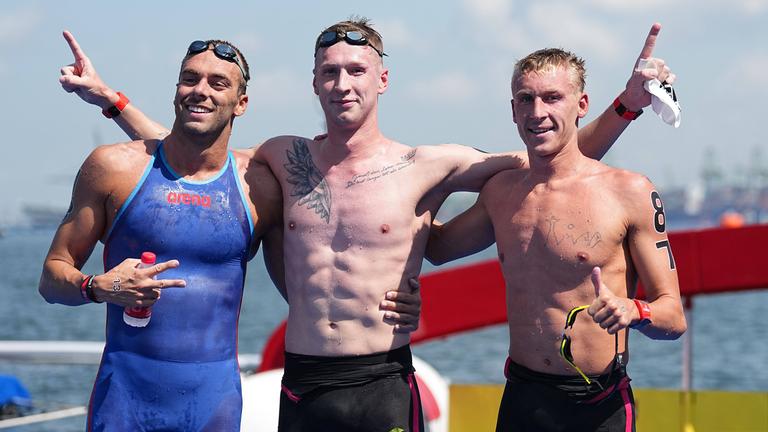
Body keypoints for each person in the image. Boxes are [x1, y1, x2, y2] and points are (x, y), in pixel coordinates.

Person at [59, 18, 674, 431]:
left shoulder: (428, 165)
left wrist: (627, 104)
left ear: (381, 80)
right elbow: (189, 156)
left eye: (356, 70)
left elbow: (555, 156)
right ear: (315, 83)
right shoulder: (284, 157)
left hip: (382, 379)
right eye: (330, 71)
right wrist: (112, 101)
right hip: (303, 381)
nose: (342, 82)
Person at [42, 33, 421, 432]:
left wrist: (391, 301)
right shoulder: (114, 168)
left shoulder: (258, 187)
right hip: (123, 403)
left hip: (214, 406)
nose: (200, 91)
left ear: (241, 103)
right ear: (176, 91)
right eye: (190, 79)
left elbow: (316, 287)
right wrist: (97, 287)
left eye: (217, 83)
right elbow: (52, 276)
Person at [426, 45, 687, 431]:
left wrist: (634, 310)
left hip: (598, 405)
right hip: (524, 399)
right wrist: (430, 178)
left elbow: (673, 317)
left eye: (552, 98)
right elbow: (438, 248)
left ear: (581, 104)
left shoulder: (629, 192)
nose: (537, 112)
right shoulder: (502, 193)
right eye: (526, 99)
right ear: (513, 109)